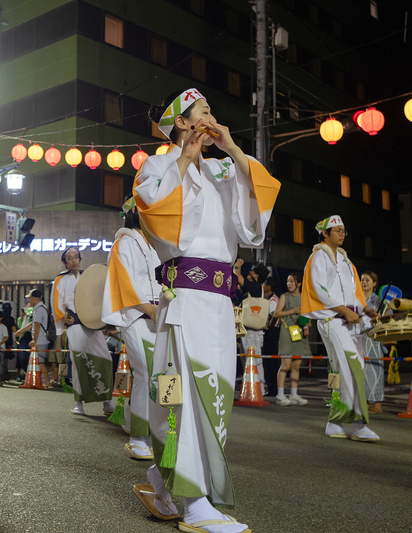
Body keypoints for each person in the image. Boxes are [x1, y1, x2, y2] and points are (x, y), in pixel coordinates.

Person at [133, 88, 280, 532]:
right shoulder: (159, 164)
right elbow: (153, 207)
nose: (210, 117)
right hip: (184, 298)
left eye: (212, 111)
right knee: (185, 394)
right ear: (182, 122)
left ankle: (162, 481)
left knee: (213, 393)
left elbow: (254, 219)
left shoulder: (222, 168)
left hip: (219, 300)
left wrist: (232, 147)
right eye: (203, 112)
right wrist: (183, 159)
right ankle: (195, 503)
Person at [301, 215, 379, 442]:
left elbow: (355, 292)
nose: (343, 234)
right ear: (325, 233)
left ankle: (335, 423)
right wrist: (346, 311)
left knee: (342, 369)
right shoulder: (318, 257)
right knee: (350, 366)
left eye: (344, 230)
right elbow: (319, 290)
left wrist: (366, 310)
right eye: (337, 230)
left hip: (348, 320)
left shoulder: (346, 261)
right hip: (332, 320)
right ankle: (356, 424)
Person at [101, 195, 159, 460]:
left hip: (159, 317)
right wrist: (148, 308)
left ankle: (158, 433)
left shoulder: (154, 246)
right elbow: (123, 282)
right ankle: (138, 436)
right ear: (136, 211)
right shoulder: (123, 243)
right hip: (137, 316)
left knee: (160, 376)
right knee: (146, 372)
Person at [52, 249, 114, 415]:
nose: (73, 261)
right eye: (69, 258)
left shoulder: (88, 276)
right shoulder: (60, 279)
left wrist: (105, 325)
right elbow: (56, 302)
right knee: (80, 362)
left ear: (80, 260)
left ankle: (107, 402)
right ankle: (79, 404)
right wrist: (63, 317)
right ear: (64, 262)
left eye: (76, 257)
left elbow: (100, 299)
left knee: (105, 359)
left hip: (93, 324)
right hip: (75, 323)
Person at [273, 272, 310, 406]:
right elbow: (277, 314)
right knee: (285, 365)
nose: (289, 284)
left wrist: (307, 322)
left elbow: (308, 316)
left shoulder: (304, 297)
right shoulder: (284, 297)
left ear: (299, 284)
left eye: (292, 281)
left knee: (296, 365)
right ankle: (280, 394)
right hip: (287, 331)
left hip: (299, 332)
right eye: (288, 281)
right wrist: (292, 312)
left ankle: (294, 394)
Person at [234, 260, 270, 391]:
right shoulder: (254, 288)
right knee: (248, 360)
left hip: (253, 331)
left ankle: (258, 388)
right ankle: (251, 388)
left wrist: (237, 264)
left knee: (253, 360)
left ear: (256, 275)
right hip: (248, 329)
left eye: (253, 270)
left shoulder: (256, 287)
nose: (250, 271)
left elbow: (238, 277)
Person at [359, 271, 386, 414]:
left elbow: (388, 319)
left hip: (374, 339)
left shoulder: (379, 300)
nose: (364, 282)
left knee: (376, 370)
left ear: (375, 283)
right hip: (359, 337)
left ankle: (377, 404)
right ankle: (364, 403)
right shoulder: (357, 299)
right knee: (361, 370)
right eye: (362, 279)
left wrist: (382, 318)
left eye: (367, 280)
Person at [26, 289, 52, 388]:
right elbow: (34, 324)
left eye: (30, 298)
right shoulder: (41, 308)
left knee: (40, 362)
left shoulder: (39, 309)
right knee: (39, 362)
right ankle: (42, 381)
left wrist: (34, 340)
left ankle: (48, 382)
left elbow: (37, 325)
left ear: (35, 298)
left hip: (40, 340)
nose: (29, 300)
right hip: (41, 339)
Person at [261, 277, 281, 396]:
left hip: (272, 331)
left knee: (271, 361)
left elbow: (274, 316)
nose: (263, 285)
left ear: (269, 286)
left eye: (264, 283)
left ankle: (273, 388)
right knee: (269, 361)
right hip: (270, 331)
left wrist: (269, 326)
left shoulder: (273, 300)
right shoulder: (267, 298)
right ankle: (272, 387)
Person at [14, 301, 34, 381]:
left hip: (31, 337)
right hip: (23, 338)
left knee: (29, 357)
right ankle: (26, 372)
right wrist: (22, 319)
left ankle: (28, 375)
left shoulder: (32, 316)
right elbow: (19, 327)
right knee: (22, 357)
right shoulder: (20, 318)